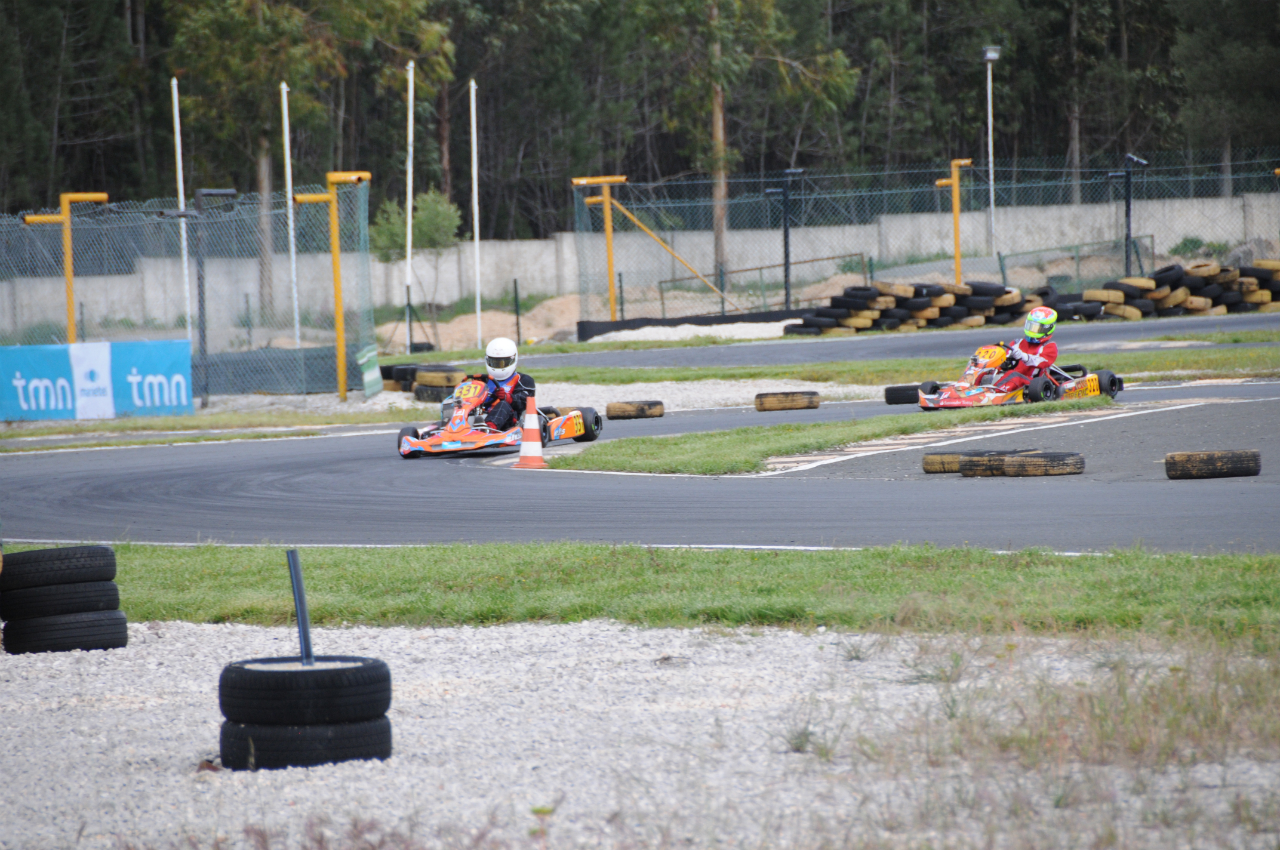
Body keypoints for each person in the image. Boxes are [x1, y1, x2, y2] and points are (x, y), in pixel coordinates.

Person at [472, 337, 536, 431]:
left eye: (502, 363)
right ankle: (451, 428)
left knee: (503, 404)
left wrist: (508, 397)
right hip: (481, 416)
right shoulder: (482, 380)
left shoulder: (523, 380)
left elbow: (524, 402)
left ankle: (489, 429)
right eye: (494, 362)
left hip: (510, 419)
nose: (498, 366)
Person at [993, 306, 1058, 391]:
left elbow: (1041, 362)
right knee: (988, 370)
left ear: (1048, 328)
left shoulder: (1049, 346)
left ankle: (993, 393)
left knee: (1015, 375)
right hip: (1010, 377)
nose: (1032, 330)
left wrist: (1023, 356)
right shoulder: (1016, 343)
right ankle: (972, 388)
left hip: (1033, 383)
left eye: (1036, 328)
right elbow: (1006, 361)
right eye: (1030, 326)